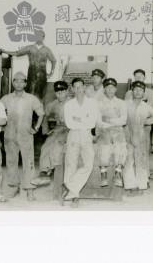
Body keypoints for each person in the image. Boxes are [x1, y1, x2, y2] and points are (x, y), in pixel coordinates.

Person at [0, 72, 45, 201]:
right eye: (16, 81)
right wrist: (1, 127)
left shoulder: (31, 99)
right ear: (13, 83)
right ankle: (14, 187)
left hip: (25, 135)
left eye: (22, 81)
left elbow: (41, 113)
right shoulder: (6, 98)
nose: (19, 83)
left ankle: (30, 189)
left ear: (25, 83)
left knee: (29, 162)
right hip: (10, 135)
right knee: (11, 161)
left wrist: (36, 128)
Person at [63, 77, 100, 207]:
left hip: (86, 134)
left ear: (84, 87)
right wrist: (84, 119)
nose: (79, 89)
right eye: (76, 87)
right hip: (73, 135)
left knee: (88, 163)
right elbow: (69, 123)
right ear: (72, 89)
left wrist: (78, 119)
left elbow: (92, 121)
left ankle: (71, 188)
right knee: (70, 163)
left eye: (81, 86)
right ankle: (74, 195)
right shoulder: (68, 104)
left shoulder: (92, 103)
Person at [123, 81, 153, 196]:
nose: (138, 92)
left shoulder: (146, 106)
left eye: (140, 90)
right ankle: (130, 184)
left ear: (144, 93)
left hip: (140, 135)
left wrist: (145, 122)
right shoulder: (125, 104)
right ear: (132, 92)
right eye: (135, 90)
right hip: (128, 134)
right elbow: (119, 116)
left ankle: (142, 183)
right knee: (128, 160)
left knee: (141, 160)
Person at [0, 30, 56, 103]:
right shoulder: (30, 48)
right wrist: (4, 51)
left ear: (43, 37)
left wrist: (51, 72)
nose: (39, 38)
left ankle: (39, 113)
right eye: (37, 36)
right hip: (31, 75)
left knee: (41, 96)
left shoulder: (47, 50)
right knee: (30, 94)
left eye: (40, 36)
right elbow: (17, 53)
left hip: (42, 76)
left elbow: (54, 60)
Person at [96, 77, 128, 187]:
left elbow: (123, 120)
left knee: (121, 145)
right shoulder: (99, 103)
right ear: (104, 89)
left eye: (112, 88)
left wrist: (109, 120)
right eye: (107, 88)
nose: (110, 90)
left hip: (118, 129)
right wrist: (114, 122)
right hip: (104, 129)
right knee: (104, 147)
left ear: (116, 89)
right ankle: (103, 173)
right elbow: (99, 121)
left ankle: (118, 173)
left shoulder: (121, 103)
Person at [38, 81, 70, 178]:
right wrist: (45, 130)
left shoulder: (72, 102)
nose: (60, 94)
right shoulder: (53, 104)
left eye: (62, 91)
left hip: (71, 129)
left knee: (57, 145)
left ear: (67, 91)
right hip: (59, 128)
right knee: (46, 145)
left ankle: (54, 169)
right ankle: (44, 170)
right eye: (57, 92)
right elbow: (44, 114)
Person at [123, 69, 153, 151]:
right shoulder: (129, 93)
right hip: (131, 123)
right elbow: (125, 110)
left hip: (144, 123)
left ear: (144, 78)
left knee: (143, 147)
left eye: (140, 76)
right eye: (136, 76)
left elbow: (149, 109)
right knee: (129, 145)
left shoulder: (150, 92)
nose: (138, 78)